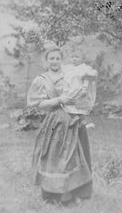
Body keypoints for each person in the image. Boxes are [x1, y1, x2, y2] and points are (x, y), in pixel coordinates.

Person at [27, 47, 93, 204]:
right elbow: (35, 103)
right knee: (53, 156)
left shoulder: (70, 74)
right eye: (51, 58)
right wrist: (58, 100)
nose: (55, 61)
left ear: (61, 60)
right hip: (53, 122)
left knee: (76, 155)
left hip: (73, 119)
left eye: (57, 58)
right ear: (46, 60)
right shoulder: (42, 79)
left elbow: (84, 89)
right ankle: (53, 195)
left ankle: (76, 193)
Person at [61, 52, 98, 127]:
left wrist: (84, 88)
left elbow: (88, 77)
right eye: (72, 57)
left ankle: (83, 119)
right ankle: (74, 117)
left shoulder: (84, 68)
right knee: (69, 104)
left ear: (82, 59)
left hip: (79, 89)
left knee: (81, 105)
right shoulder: (68, 68)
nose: (74, 59)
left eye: (76, 57)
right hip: (70, 90)